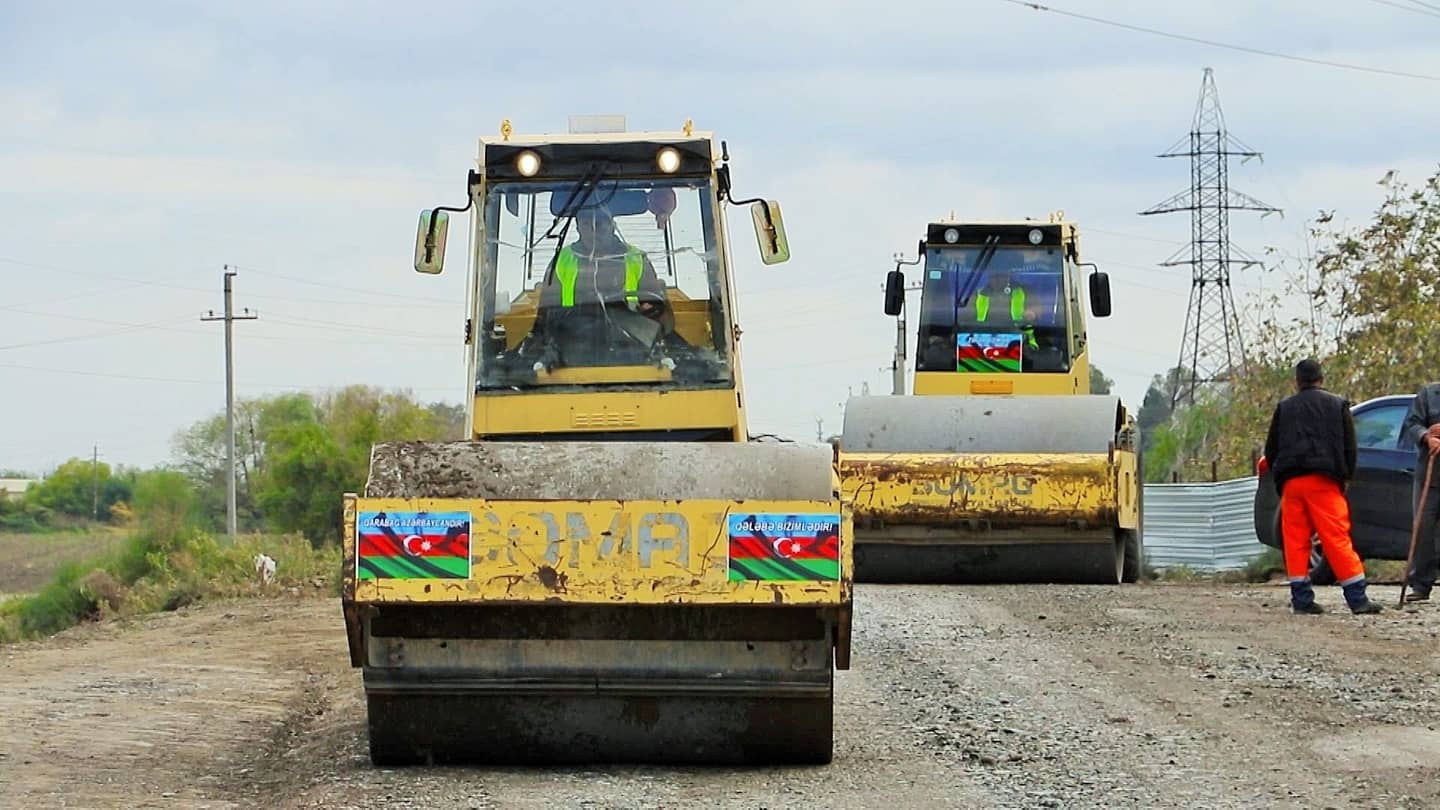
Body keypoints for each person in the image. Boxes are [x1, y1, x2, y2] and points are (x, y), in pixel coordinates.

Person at [1262, 358, 1382, 615]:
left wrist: (1281, 478)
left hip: (1292, 483)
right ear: (1321, 379)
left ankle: (1302, 600)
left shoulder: (1284, 408)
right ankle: (1357, 599)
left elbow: (1270, 449)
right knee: (1336, 538)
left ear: (1297, 381)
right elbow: (1350, 446)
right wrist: (1346, 476)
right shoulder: (1337, 405)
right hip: (1324, 481)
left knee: (1295, 541)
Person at [1399, 381, 1440, 602]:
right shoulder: (1428, 394)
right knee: (1423, 530)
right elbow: (1412, 424)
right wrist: (1427, 436)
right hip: (1429, 478)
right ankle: (1421, 585)